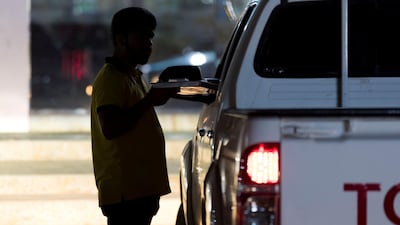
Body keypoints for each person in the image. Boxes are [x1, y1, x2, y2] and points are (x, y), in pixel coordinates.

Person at [90, 7, 177, 225]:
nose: (149, 43)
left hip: (139, 191)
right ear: (121, 39)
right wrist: (149, 100)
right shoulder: (111, 79)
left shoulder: (133, 75)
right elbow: (110, 127)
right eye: (141, 36)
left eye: (150, 37)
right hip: (125, 193)